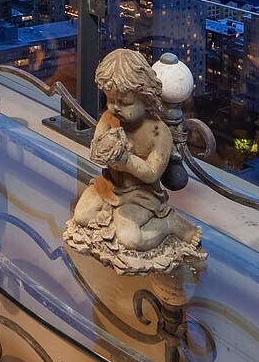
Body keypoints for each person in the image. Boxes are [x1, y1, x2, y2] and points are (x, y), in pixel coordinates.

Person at [65, 48, 204, 272]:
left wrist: (126, 160)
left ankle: (168, 224)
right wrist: (103, 150)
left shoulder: (158, 132)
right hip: (108, 185)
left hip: (142, 195)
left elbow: (152, 173)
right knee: (81, 216)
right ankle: (111, 218)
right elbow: (98, 146)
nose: (115, 107)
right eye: (110, 100)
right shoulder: (109, 118)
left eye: (125, 102)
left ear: (145, 98)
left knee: (131, 240)